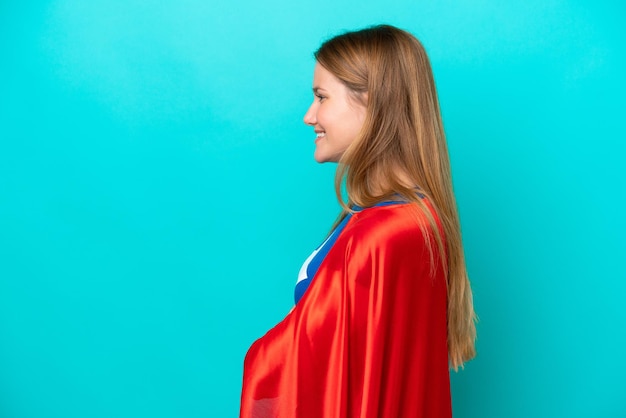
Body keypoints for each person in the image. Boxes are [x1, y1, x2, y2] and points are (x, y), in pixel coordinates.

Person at [240, 24, 476, 418]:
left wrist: (262, 354)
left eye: (321, 97)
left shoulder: (381, 234)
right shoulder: (403, 219)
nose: (309, 116)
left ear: (372, 102)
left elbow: (300, 364)